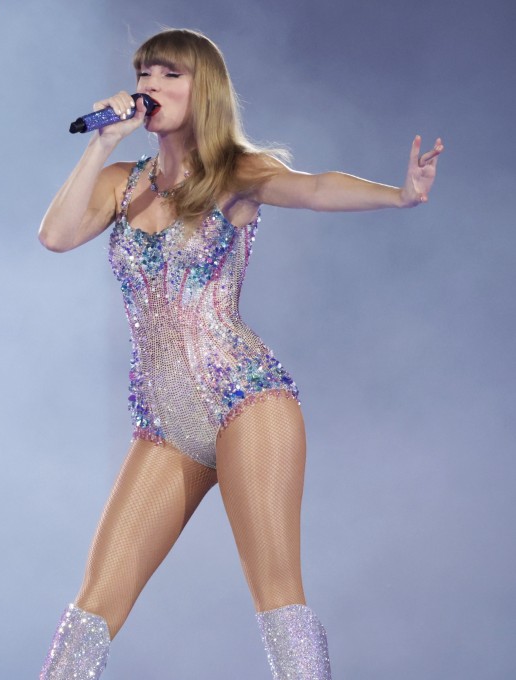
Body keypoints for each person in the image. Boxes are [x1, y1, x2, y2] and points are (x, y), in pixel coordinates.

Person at [37, 28, 442, 680]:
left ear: (205, 92)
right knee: (92, 608)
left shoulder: (238, 173)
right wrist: (103, 141)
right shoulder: (122, 180)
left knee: (276, 592)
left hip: (245, 398)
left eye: (168, 75)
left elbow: (312, 188)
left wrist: (398, 195)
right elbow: (55, 236)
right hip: (165, 422)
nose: (148, 86)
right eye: (144, 73)